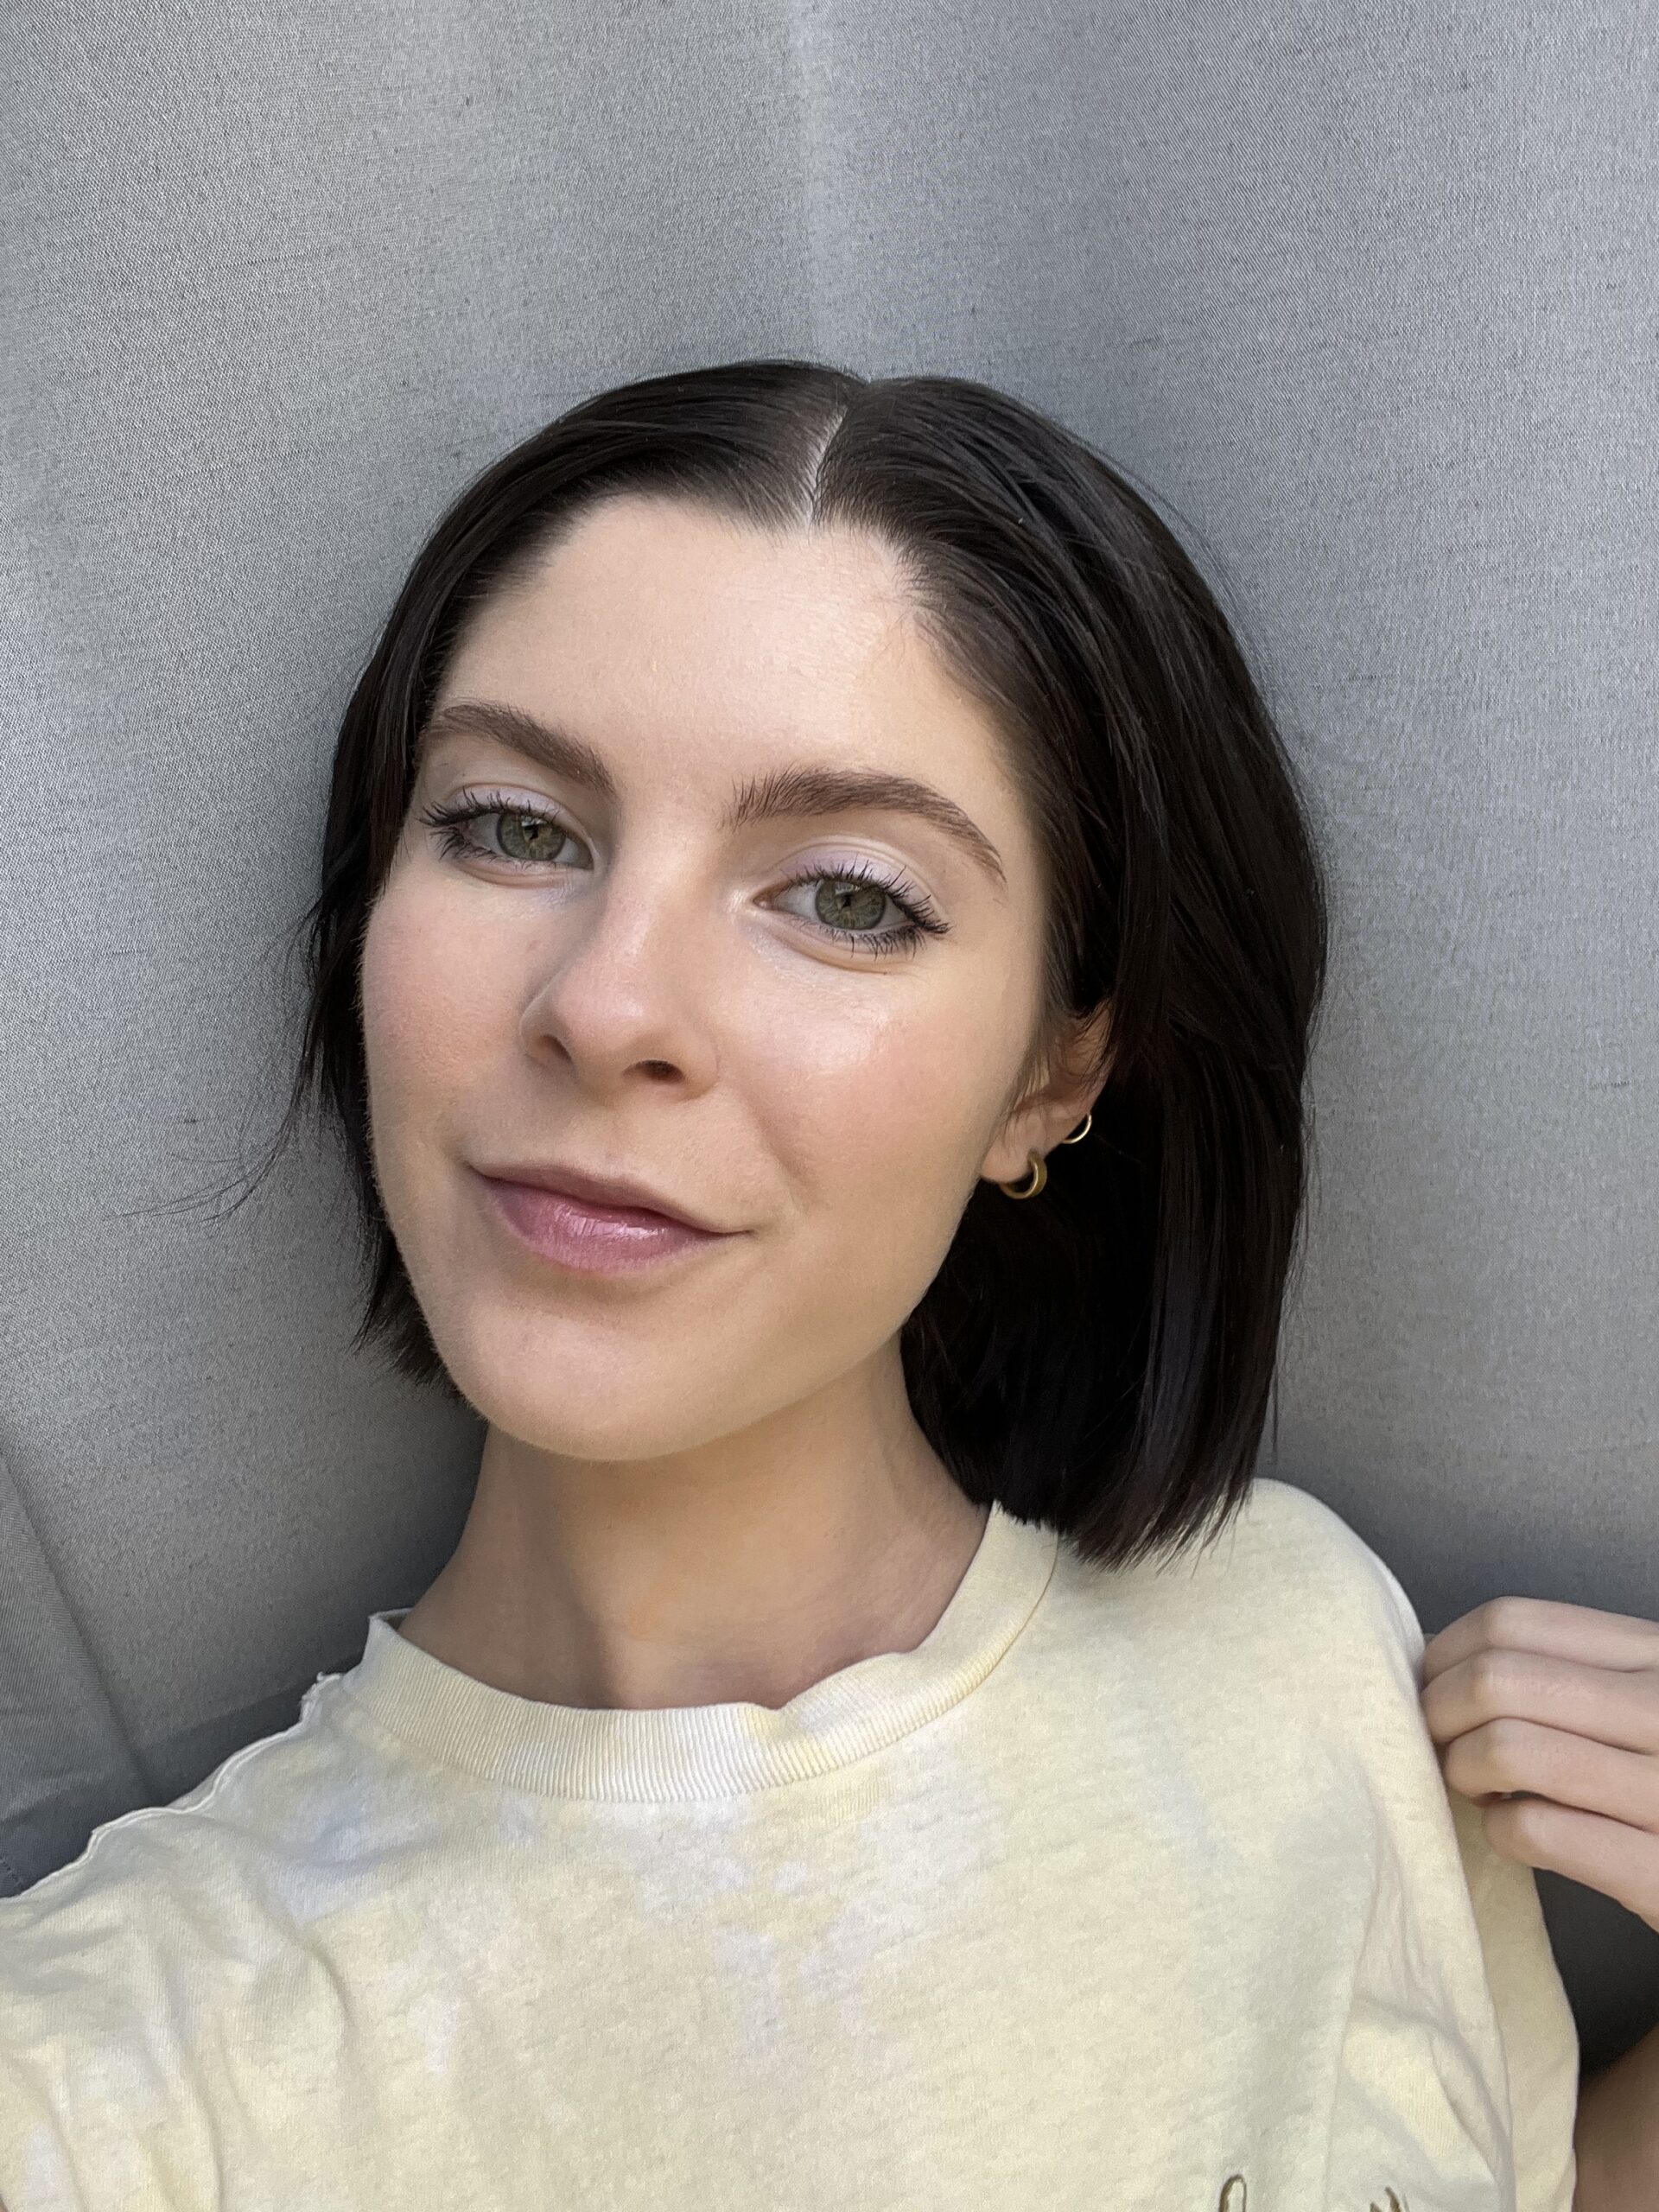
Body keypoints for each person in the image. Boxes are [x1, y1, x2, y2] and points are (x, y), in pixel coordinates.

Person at [0, 359, 1601, 2207]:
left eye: (845, 894)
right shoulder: (101, 2084)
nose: (604, 1003)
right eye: (516, 827)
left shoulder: (1303, 1651)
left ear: (1056, 1074)